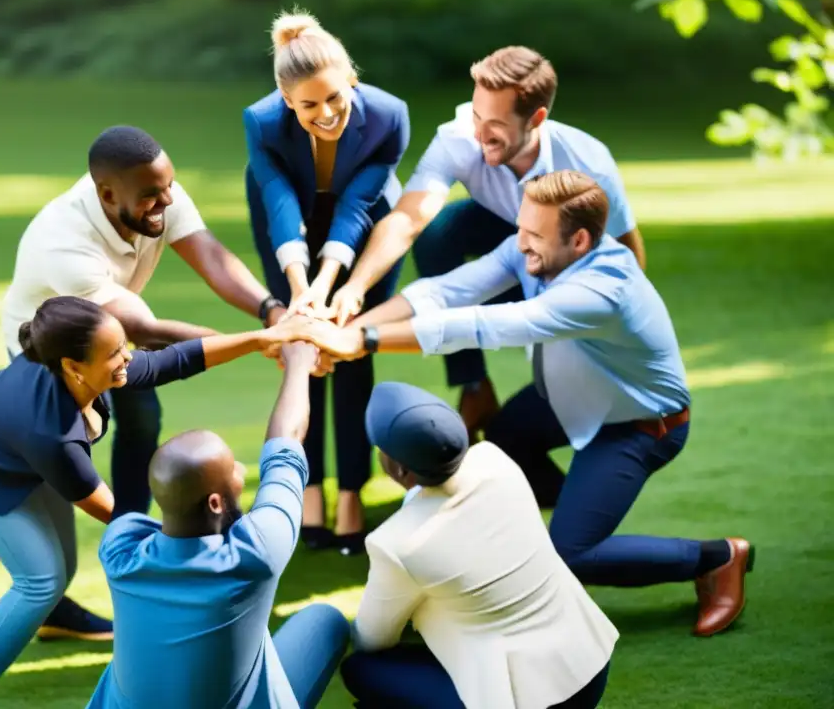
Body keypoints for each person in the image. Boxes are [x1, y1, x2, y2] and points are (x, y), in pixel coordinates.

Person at [298, 170, 754, 637]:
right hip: (568, 396)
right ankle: (568, 518)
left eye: (534, 235)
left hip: (637, 425)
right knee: (505, 435)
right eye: (520, 227)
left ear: (578, 240)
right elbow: (447, 290)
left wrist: (364, 342)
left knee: (570, 553)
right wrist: (350, 330)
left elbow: (487, 325)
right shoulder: (534, 246)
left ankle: (716, 558)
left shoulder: (601, 289)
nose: (520, 243)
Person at [0, 296, 314, 709]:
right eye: (114, 354)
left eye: (124, 346)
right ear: (74, 366)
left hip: (20, 452)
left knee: (60, 569)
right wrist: (198, 558)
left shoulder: (88, 364)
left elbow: (173, 361)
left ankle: (55, 619)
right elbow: (118, 517)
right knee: (41, 580)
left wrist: (265, 338)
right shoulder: (55, 438)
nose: (127, 357)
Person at [0, 124, 292, 634]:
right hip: (49, 363)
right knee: (57, 470)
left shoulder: (153, 188)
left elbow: (211, 257)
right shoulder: (63, 242)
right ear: (107, 194)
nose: (166, 202)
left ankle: (134, 557)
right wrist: (257, 342)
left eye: (169, 188)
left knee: (142, 418)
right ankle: (55, 601)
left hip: (108, 342)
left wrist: (271, 311)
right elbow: (142, 329)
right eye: (152, 196)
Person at [323, 46, 646, 448]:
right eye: (476, 115)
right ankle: (473, 384)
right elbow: (408, 220)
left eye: (494, 124)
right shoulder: (460, 139)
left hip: (567, 270)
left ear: (537, 119)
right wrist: (354, 291)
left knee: (533, 415)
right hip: (507, 243)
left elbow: (630, 259)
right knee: (439, 230)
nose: (479, 134)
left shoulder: (588, 164)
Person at [85, 340, 350, 709]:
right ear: (214, 502)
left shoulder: (121, 550)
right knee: (325, 620)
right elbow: (286, 442)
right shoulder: (256, 553)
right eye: (233, 471)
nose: (241, 472)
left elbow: (129, 514)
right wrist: (299, 363)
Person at [243, 8, 410, 553]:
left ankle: (353, 494)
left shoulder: (389, 116)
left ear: (351, 81)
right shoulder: (262, 122)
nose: (327, 112)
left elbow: (359, 205)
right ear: (288, 102)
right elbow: (278, 200)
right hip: (287, 223)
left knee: (351, 341)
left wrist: (336, 281)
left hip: (364, 222)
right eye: (309, 105)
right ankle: (309, 488)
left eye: (335, 98)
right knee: (304, 343)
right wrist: (300, 287)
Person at [340, 381, 617, 709]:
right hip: (590, 664)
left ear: (399, 468)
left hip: (526, 701)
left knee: (361, 669)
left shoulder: (397, 543)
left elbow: (372, 638)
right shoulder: (494, 460)